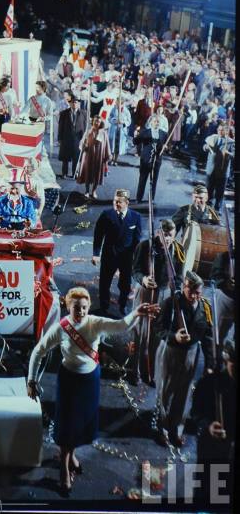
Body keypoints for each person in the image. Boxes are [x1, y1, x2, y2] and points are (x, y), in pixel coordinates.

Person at [27, 287, 156, 495]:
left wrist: (137, 313)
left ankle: (71, 456)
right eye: (76, 308)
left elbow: (121, 325)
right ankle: (63, 468)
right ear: (68, 306)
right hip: (69, 380)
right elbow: (38, 351)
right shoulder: (61, 328)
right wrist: (31, 380)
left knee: (80, 423)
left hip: (89, 380)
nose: (81, 312)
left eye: (85, 307)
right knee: (68, 424)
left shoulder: (95, 322)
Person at [153, 271, 214, 447]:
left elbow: (208, 337)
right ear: (183, 287)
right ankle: (162, 429)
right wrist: (174, 337)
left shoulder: (205, 308)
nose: (195, 296)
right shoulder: (171, 304)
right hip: (170, 352)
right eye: (191, 291)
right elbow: (158, 328)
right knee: (165, 392)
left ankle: (176, 429)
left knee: (184, 394)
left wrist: (209, 364)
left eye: (199, 292)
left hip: (191, 354)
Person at [131, 219, 185, 385]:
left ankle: (151, 372)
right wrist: (144, 279)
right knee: (140, 332)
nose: (167, 239)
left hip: (164, 294)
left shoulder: (178, 250)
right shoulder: (145, 246)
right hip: (145, 292)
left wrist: (176, 291)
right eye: (164, 235)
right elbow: (135, 271)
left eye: (171, 236)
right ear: (157, 233)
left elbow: (178, 276)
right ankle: (135, 372)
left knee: (158, 333)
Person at [190, 336, 235, 505]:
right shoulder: (209, 384)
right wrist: (208, 426)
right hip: (211, 450)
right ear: (226, 360)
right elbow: (196, 413)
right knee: (207, 493)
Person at [92, 189, 142, 317]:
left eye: (119, 202)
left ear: (127, 203)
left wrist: (136, 258)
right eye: (115, 201)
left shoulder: (136, 217)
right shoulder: (106, 215)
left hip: (126, 258)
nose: (116, 204)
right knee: (104, 283)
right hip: (109, 255)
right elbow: (98, 235)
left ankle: (123, 305)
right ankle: (104, 306)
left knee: (125, 285)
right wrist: (96, 254)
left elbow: (137, 239)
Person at [133, 114, 168, 203]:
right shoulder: (145, 132)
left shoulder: (163, 134)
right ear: (151, 123)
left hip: (157, 160)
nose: (157, 123)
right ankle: (138, 198)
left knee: (154, 180)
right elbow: (136, 142)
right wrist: (135, 135)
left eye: (158, 122)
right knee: (143, 178)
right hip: (146, 159)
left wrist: (166, 147)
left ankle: (151, 198)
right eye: (155, 121)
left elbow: (167, 145)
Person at [75, 115, 111, 199]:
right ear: (92, 122)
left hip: (99, 156)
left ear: (100, 123)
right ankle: (87, 191)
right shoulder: (88, 132)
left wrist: (108, 155)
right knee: (87, 173)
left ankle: (94, 191)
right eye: (95, 121)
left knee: (96, 174)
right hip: (88, 155)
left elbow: (107, 145)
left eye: (98, 121)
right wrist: (83, 146)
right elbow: (81, 143)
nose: (96, 123)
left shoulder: (104, 133)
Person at [203, 122, 235, 213]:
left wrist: (228, 153)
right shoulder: (212, 138)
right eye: (219, 130)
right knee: (208, 191)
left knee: (219, 193)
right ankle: (207, 208)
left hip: (222, 172)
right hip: (211, 170)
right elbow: (204, 146)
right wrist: (205, 147)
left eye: (222, 130)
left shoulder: (230, 142)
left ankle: (217, 209)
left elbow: (234, 155)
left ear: (225, 131)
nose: (220, 132)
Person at [57, 94, 87, 179]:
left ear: (78, 104)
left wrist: (84, 139)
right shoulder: (64, 113)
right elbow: (60, 126)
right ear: (69, 103)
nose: (74, 104)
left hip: (78, 139)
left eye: (76, 102)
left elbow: (85, 127)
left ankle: (75, 173)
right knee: (65, 158)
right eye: (72, 103)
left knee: (76, 158)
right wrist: (60, 138)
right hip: (66, 138)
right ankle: (64, 173)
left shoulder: (83, 113)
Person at [210, 250, 235, 354]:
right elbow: (214, 277)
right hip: (226, 299)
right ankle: (214, 365)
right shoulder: (225, 256)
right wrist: (226, 283)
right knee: (217, 337)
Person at [107, 99, 131, 165]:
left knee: (118, 145)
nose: (117, 105)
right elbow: (110, 117)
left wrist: (123, 123)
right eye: (117, 103)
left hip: (121, 130)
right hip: (114, 128)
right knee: (112, 144)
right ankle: (111, 158)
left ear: (122, 104)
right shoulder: (114, 109)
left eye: (119, 103)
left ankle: (116, 159)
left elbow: (129, 121)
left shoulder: (126, 111)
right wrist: (114, 120)